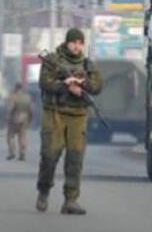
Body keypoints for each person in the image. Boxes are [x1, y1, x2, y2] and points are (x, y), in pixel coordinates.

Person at [36, 28, 102, 215]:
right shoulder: (53, 60)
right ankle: (43, 190)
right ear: (67, 42)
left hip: (78, 115)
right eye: (74, 42)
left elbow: (97, 86)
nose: (77, 46)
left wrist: (82, 85)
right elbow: (44, 83)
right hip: (55, 113)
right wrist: (65, 86)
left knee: (75, 158)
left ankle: (71, 200)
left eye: (80, 43)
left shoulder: (88, 63)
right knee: (50, 155)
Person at [5, 83, 33, 161]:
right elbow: (31, 110)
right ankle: (22, 154)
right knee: (22, 137)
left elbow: (9, 109)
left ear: (15, 88)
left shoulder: (13, 97)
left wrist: (7, 118)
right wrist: (30, 119)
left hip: (14, 119)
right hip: (25, 120)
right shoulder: (27, 97)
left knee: (10, 136)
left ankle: (12, 153)